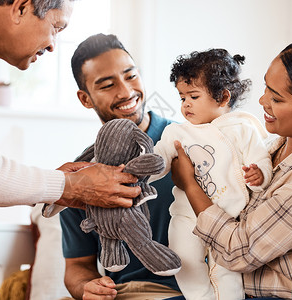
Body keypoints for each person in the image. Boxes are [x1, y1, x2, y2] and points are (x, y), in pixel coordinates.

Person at [0, 0, 141, 211]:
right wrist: (68, 186)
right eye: (56, 28)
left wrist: (61, 185)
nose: (52, 46)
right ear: (20, 8)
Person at [170, 37, 292, 300]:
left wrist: (190, 185)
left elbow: (239, 251)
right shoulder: (269, 146)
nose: (262, 100)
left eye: (276, 99)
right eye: (266, 87)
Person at [58, 33, 183, 300]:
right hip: (127, 292)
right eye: (107, 85)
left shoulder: (192, 142)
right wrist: (87, 288)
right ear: (85, 98)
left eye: (131, 76)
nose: (126, 92)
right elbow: (78, 266)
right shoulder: (79, 177)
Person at [151, 49, 272, 300]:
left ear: (223, 97)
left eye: (193, 96)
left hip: (229, 219)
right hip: (186, 215)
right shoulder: (178, 132)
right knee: (184, 260)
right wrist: (144, 170)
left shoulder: (242, 128)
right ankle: (201, 297)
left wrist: (259, 174)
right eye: (182, 97)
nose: (186, 104)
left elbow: (260, 157)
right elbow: (159, 156)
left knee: (227, 270)